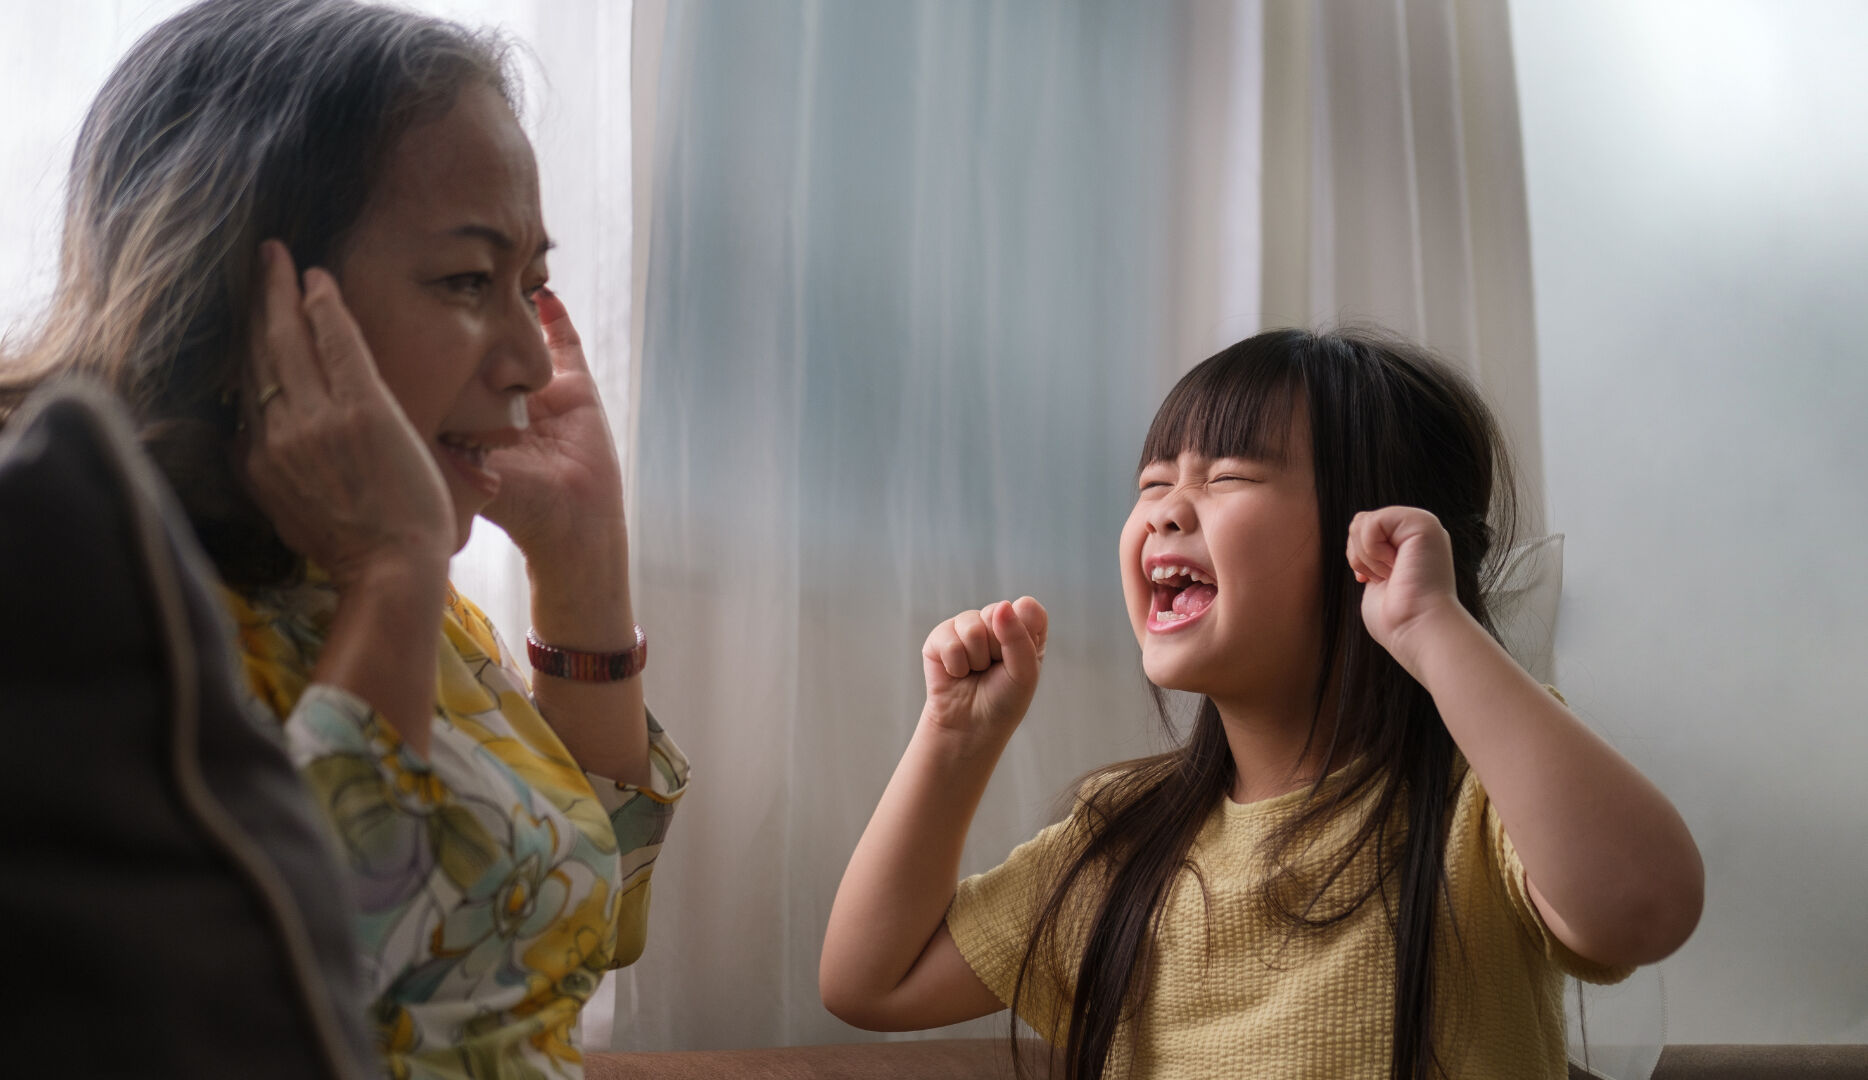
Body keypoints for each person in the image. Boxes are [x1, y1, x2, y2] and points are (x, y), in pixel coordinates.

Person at [0, 1, 687, 1076]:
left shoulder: (366, 569)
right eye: (468, 280)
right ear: (241, 296)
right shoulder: (99, 624)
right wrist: (393, 578)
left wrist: (581, 562)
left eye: (534, 287)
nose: (533, 361)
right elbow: (270, 996)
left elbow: (585, 928)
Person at [819, 329, 1704, 1079]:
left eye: (1228, 476)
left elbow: (1646, 906)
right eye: (1152, 483)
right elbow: (872, 982)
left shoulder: (1478, 801)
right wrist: (953, 740)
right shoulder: (1124, 840)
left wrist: (1434, 628)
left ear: (1374, 532)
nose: (1164, 510)